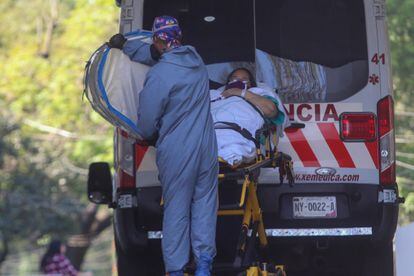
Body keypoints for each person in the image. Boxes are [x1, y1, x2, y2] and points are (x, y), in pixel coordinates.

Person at [108, 16, 218, 276]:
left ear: (158, 39)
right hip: (207, 147)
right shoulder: (196, 61)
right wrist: (127, 46)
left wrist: (143, 134)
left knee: (177, 211)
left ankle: (176, 270)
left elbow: (146, 124)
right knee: (204, 205)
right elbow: (159, 56)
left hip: (179, 150)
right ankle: (203, 266)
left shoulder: (159, 76)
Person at [210, 68, 287, 165]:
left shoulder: (258, 93)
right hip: (211, 131)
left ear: (250, 84)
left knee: (230, 144)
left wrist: (241, 92)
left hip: (239, 132)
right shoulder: (214, 95)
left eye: (243, 79)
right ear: (228, 82)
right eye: (234, 78)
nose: (238, 81)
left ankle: (229, 152)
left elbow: (271, 111)